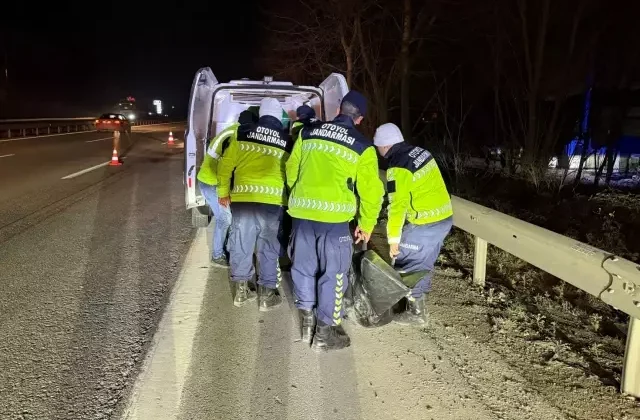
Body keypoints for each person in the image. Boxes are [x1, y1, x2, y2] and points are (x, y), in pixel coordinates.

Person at [286, 91, 385, 352]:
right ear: (360, 119)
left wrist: (300, 193)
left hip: (302, 217)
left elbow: (290, 169)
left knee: (303, 268)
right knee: (334, 275)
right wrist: (366, 223)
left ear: (339, 109)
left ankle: (307, 322)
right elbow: (372, 193)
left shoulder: (307, 134)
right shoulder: (363, 147)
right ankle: (323, 334)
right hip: (335, 223)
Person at [373, 122, 453, 325]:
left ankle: (416, 312)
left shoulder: (397, 167)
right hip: (443, 219)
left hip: (424, 224)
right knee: (422, 264)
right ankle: (418, 305)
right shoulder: (421, 152)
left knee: (406, 264)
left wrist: (393, 240)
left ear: (383, 147)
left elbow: (396, 206)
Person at [217, 98, 292, 309]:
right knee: (268, 245)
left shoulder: (241, 134)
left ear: (261, 115)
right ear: (278, 117)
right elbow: (291, 173)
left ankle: (241, 292)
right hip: (272, 202)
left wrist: (223, 192)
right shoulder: (286, 141)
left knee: (241, 241)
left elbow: (225, 166)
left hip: (243, 200)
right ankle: (266, 296)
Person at [197, 110, 257, 267]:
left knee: (228, 217)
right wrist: (223, 193)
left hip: (213, 179)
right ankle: (217, 255)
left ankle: (228, 249)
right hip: (212, 182)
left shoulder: (233, 131)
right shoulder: (236, 135)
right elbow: (226, 167)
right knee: (225, 219)